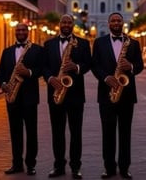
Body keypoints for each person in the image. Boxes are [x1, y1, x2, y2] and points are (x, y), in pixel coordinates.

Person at [91, 12, 143, 179]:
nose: (115, 23)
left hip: (127, 95)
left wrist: (132, 66)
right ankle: (109, 168)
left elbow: (140, 65)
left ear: (123, 23)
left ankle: (124, 167)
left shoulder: (133, 43)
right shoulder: (99, 43)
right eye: (113, 20)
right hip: (106, 94)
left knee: (125, 132)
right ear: (108, 23)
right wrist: (106, 78)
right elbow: (95, 65)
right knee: (108, 132)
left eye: (118, 20)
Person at [43, 14, 92, 179]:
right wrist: (50, 79)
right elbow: (44, 66)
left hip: (76, 95)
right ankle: (58, 166)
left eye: (69, 22)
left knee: (76, 132)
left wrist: (77, 67)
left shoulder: (83, 43)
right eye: (63, 22)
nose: (66, 24)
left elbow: (88, 64)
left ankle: (76, 167)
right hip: (55, 93)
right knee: (57, 132)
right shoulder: (48, 44)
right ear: (59, 24)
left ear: (73, 24)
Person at [0, 23, 44, 176]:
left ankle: (31, 164)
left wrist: (29, 72)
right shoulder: (7, 51)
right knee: (15, 132)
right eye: (18, 30)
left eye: (23, 30)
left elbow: (41, 69)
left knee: (31, 132)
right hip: (12, 98)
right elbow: (1, 72)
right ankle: (16, 164)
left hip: (30, 97)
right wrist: (3, 84)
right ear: (15, 32)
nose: (21, 32)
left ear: (28, 32)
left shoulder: (37, 50)